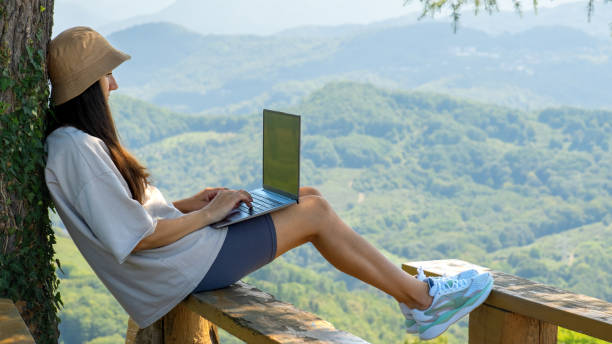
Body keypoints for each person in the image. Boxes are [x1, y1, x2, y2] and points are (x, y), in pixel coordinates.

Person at [44, 26, 493, 341]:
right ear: (88, 84)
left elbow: (127, 216)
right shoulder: (77, 149)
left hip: (179, 257)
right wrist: (207, 215)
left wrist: (187, 205)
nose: (115, 83)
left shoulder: (76, 144)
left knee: (307, 196)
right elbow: (137, 238)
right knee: (314, 213)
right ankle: (423, 300)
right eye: (107, 73)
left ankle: (409, 295)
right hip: (175, 270)